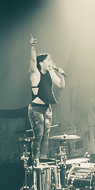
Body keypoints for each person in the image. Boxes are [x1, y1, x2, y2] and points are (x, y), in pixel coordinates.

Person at [27, 36, 66, 167]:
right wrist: (32, 46)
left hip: (47, 108)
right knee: (39, 134)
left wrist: (60, 73)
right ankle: (36, 160)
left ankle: (43, 157)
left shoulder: (50, 73)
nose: (50, 62)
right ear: (41, 62)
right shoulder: (36, 74)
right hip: (36, 108)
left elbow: (60, 85)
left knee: (46, 135)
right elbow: (32, 60)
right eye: (47, 60)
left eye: (50, 60)